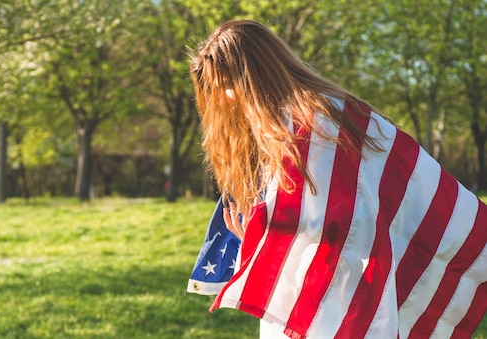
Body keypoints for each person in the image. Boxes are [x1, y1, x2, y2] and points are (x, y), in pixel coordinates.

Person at [187, 19, 487, 339]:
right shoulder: (336, 110)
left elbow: (324, 221)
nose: (227, 101)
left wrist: (257, 235)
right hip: (348, 279)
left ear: (250, 76)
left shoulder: (309, 127)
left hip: (341, 290)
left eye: (225, 88)